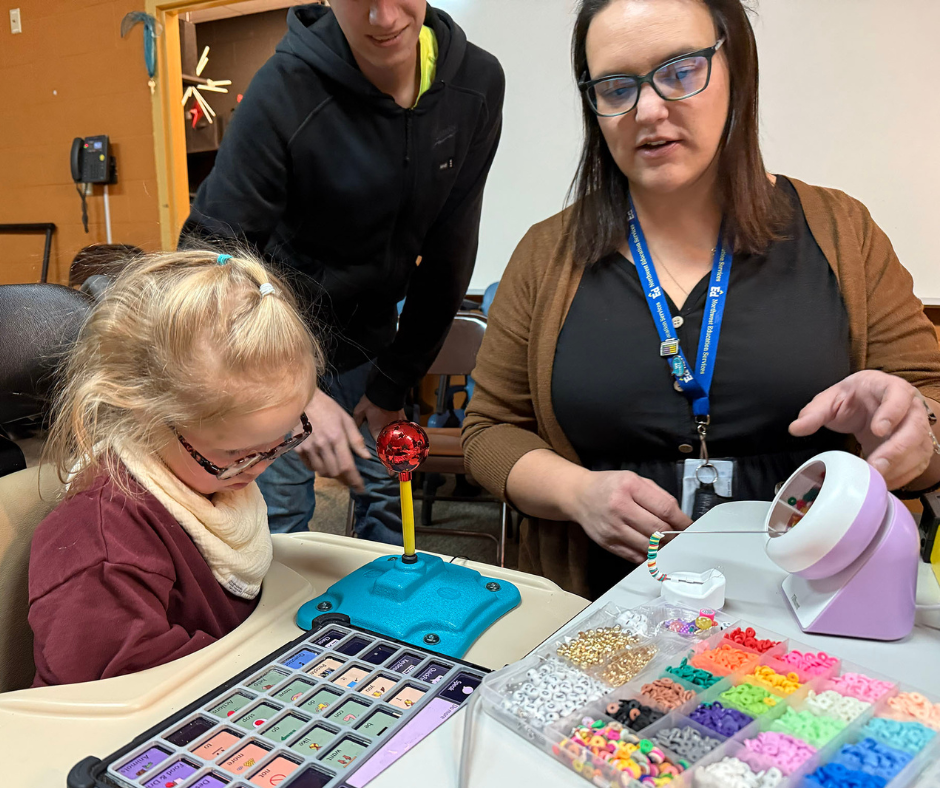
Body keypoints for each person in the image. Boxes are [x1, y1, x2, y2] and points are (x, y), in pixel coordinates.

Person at [462, 0, 940, 600]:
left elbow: (930, 408)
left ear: (735, 67)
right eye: (616, 86)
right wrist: (577, 493)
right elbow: (490, 431)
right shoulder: (546, 254)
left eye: (681, 70)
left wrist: (919, 426)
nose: (650, 110)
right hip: (604, 606)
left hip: (821, 607)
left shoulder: (843, 232)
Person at [180, 0, 505, 541]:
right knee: (279, 517)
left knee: (388, 500)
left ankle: (385, 622)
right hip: (272, 341)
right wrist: (295, 390)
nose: (383, 17)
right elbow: (204, 258)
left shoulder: (475, 84)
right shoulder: (283, 91)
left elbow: (451, 248)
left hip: (369, 342)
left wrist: (392, 383)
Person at [29, 250, 321, 686]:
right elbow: (128, 690)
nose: (259, 469)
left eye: (281, 442)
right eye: (237, 454)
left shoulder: (202, 473)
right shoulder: (103, 547)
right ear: (144, 412)